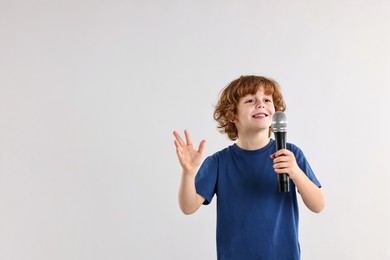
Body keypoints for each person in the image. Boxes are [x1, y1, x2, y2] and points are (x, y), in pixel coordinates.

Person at [173, 75, 325, 260]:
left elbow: (318, 205)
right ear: (232, 114)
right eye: (250, 100)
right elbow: (188, 207)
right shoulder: (219, 162)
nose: (261, 104)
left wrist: (295, 173)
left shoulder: (290, 154)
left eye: (267, 100)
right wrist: (188, 173)